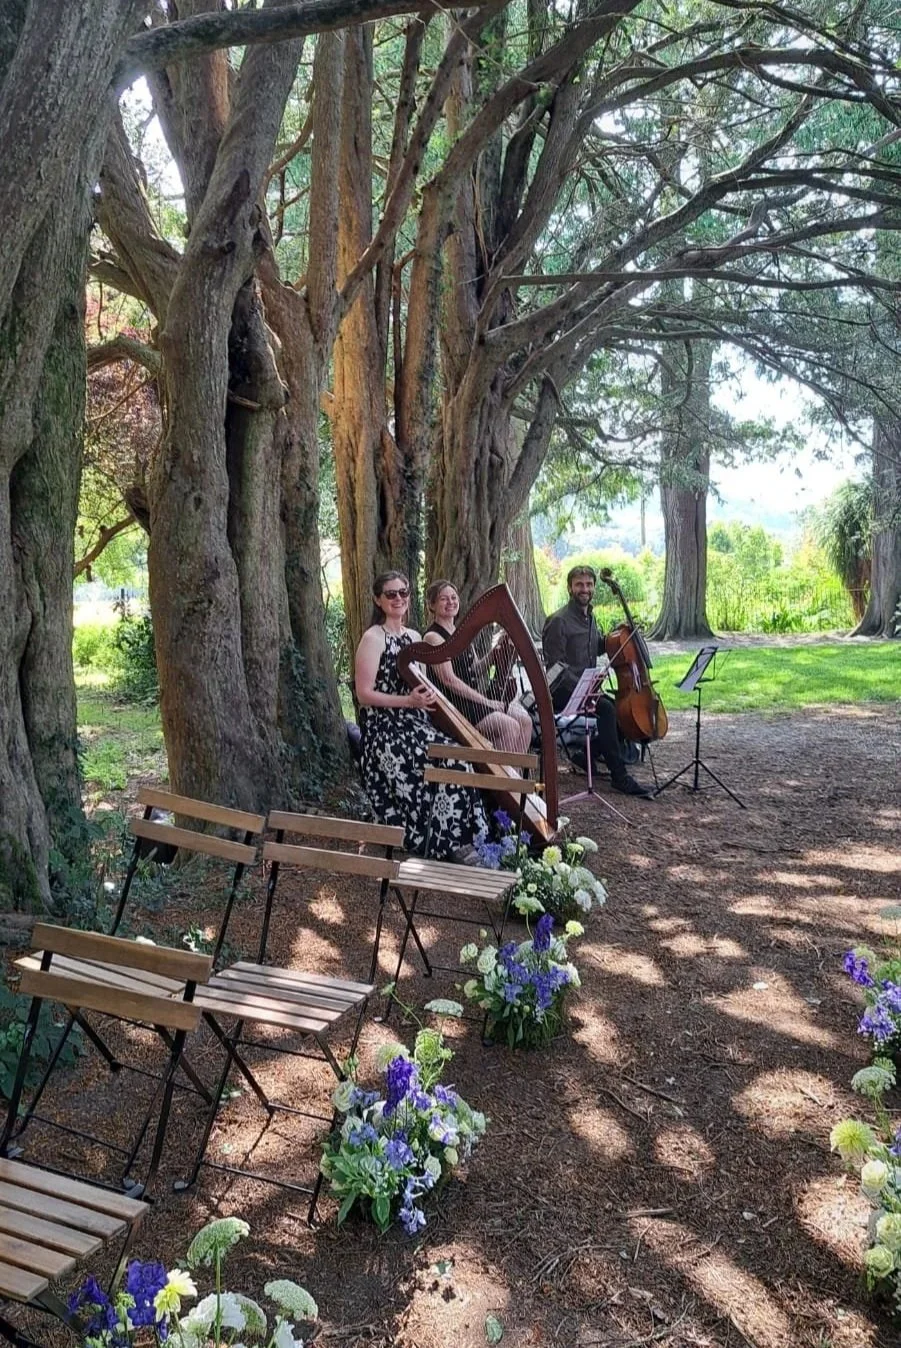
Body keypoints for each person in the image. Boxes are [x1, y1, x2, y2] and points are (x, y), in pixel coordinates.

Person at [355, 571, 488, 858]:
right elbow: (363, 694)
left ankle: (463, 838)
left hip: (415, 723)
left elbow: (425, 685)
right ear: (378, 600)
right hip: (384, 730)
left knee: (460, 756)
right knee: (447, 762)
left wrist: (428, 701)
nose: (399, 598)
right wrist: (407, 700)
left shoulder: (415, 637)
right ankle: (442, 842)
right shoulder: (373, 638)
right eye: (391, 594)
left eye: (403, 592)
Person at [542, 565, 653, 798]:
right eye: (580, 584)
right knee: (606, 709)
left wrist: (622, 636)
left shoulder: (590, 618)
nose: (585, 589)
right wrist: (586, 688)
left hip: (586, 689)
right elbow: (555, 667)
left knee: (620, 708)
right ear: (570, 588)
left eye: (589, 584)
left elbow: (598, 646)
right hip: (562, 692)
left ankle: (588, 757)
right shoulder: (558, 621)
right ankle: (619, 777)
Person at [422, 580, 533, 755]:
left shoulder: (461, 632)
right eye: (444, 599)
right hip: (455, 705)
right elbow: (449, 680)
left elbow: (474, 669)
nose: (450, 602)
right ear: (432, 605)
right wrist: (487, 701)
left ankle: (513, 777)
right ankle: (496, 780)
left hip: (473, 701)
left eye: (453, 597)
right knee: (509, 726)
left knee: (526, 721)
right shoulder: (432, 637)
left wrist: (494, 653)